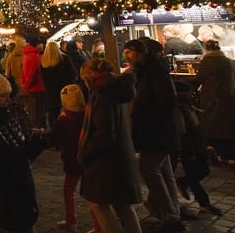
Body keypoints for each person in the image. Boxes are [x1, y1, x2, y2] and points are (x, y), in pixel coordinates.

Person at [0, 66, 43, 233]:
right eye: (3, 95)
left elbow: (20, 148)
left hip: (19, 181)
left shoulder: (7, 114)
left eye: (9, 95)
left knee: (25, 221)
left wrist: (36, 142)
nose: (8, 99)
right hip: (6, 186)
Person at [123, 38, 182, 232]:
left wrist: (152, 121)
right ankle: (172, 211)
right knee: (164, 171)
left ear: (141, 52)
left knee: (149, 169)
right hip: (158, 129)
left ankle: (168, 213)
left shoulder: (155, 69)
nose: (127, 56)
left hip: (156, 130)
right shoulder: (147, 69)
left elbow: (165, 98)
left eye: (129, 52)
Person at [78, 57, 142, 233]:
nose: (85, 82)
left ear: (92, 74)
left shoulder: (102, 92)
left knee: (98, 203)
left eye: (85, 78)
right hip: (121, 153)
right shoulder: (117, 88)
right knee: (123, 205)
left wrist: (87, 153)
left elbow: (104, 132)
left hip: (106, 160)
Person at [173, 78, 222, 217]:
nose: (192, 95)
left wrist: (213, 105)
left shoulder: (189, 108)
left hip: (197, 146)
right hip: (190, 149)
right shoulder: (179, 111)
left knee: (197, 174)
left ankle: (202, 202)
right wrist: (187, 151)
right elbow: (183, 133)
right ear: (181, 95)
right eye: (189, 93)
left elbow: (203, 116)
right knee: (200, 172)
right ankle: (189, 189)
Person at [44, 84, 86, 233]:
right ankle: (98, 224)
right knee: (93, 195)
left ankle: (71, 220)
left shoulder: (64, 119)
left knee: (69, 190)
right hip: (88, 159)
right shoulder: (88, 113)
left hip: (72, 160)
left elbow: (54, 138)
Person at [194, 38, 235, 163]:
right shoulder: (228, 61)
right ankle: (227, 154)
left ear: (206, 49)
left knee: (212, 124)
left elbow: (199, 79)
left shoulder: (208, 61)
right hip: (229, 97)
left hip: (212, 98)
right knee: (227, 125)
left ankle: (212, 149)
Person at [41, 41, 78, 121]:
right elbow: (73, 74)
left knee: (53, 114)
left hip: (50, 93)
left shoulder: (43, 62)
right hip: (64, 90)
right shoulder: (64, 59)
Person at [20, 35, 47, 130]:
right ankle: (40, 132)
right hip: (38, 87)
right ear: (37, 45)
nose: (42, 45)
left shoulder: (26, 55)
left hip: (30, 88)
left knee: (34, 110)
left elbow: (23, 71)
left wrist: (24, 84)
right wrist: (27, 85)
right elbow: (33, 73)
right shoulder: (36, 56)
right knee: (39, 112)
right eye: (40, 43)